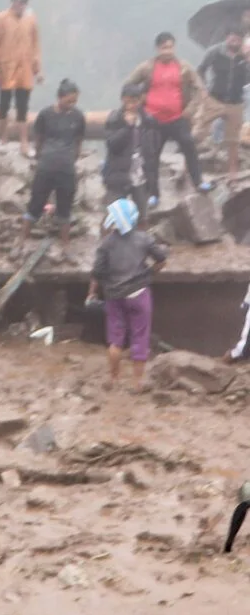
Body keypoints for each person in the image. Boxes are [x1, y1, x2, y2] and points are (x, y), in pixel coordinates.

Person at [86, 198, 168, 392]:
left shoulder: (106, 244)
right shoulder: (144, 239)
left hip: (114, 296)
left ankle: (113, 378)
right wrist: (151, 272)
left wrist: (91, 293)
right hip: (139, 294)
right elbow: (162, 259)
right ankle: (137, 382)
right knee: (140, 337)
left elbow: (97, 272)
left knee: (115, 339)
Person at [124, 33, 207, 204]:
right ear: (158, 49)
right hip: (152, 119)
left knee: (189, 146)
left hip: (177, 118)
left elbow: (199, 88)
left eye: (170, 47)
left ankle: (199, 182)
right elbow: (129, 84)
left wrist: (190, 110)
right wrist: (139, 103)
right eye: (164, 48)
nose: (167, 51)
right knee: (151, 156)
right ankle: (153, 194)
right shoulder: (147, 68)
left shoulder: (183, 67)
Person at [25, 79, 87, 243]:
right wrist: (40, 158)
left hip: (66, 168)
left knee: (65, 209)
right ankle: (22, 240)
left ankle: (65, 245)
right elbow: (38, 140)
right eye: (69, 101)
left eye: (74, 101)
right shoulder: (45, 115)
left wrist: (72, 158)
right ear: (59, 97)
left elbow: (78, 140)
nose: (72, 104)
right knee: (35, 204)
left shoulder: (78, 116)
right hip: (46, 166)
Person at [197, 28, 249, 188]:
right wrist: (203, 90)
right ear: (226, 37)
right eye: (232, 37)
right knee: (198, 133)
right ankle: (187, 168)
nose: (234, 41)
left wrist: (247, 59)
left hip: (235, 102)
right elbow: (201, 69)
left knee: (233, 141)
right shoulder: (215, 51)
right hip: (214, 100)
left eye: (238, 38)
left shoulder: (245, 55)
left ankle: (232, 175)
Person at [0, 0, 43, 144]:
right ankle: (3, 138)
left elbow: (35, 44)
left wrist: (38, 69)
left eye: (25, 2)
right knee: (4, 104)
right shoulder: (1, 19)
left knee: (23, 105)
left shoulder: (31, 18)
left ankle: (23, 140)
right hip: (6, 67)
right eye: (21, 2)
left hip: (25, 67)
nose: (23, 5)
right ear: (13, 2)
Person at [102, 82, 154, 218]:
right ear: (122, 100)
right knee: (114, 216)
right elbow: (112, 144)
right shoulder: (115, 118)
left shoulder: (146, 119)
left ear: (140, 100)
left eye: (134, 101)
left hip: (140, 174)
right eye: (128, 102)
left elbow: (151, 147)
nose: (131, 105)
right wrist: (127, 128)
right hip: (118, 173)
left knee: (142, 214)